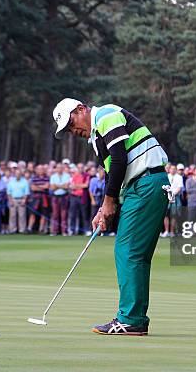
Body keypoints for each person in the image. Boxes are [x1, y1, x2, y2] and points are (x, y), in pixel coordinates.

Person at [53, 97, 168, 336]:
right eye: (68, 130)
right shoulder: (97, 137)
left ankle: (130, 319)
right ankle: (135, 319)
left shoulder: (106, 115)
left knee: (128, 251)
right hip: (143, 187)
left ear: (81, 109)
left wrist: (108, 201)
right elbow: (111, 172)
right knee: (136, 255)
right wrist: (104, 209)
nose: (73, 131)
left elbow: (119, 159)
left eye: (71, 123)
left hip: (145, 184)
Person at [28, 165, 50, 234]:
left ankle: (41, 229)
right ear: (36, 170)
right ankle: (29, 228)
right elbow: (32, 188)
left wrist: (37, 186)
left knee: (43, 214)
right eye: (39, 169)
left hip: (44, 198)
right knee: (32, 214)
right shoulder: (34, 178)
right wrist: (42, 187)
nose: (40, 171)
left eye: (42, 169)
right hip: (35, 198)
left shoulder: (47, 178)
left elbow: (47, 186)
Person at [7, 168, 30, 234]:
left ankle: (22, 229)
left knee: (22, 215)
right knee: (12, 215)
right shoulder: (11, 181)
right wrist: (10, 200)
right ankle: (12, 230)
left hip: (21, 199)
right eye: (16, 174)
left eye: (19, 174)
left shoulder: (25, 181)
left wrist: (24, 200)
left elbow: (26, 192)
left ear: (21, 174)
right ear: (14, 174)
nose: (18, 175)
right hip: (13, 199)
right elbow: (8, 192)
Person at [49, 163, 70, 236]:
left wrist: (57, 185)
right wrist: (62, 185)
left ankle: (64, 231)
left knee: (64, 215)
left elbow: (67, 186)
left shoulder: (67, 175)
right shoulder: (53, 176)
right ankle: (55, 231)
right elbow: (52, 187)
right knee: (55, 214)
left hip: (64, 196)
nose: (59, 169)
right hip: (55, 196)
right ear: (56, 169)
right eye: (58, 168)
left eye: (61, 168)